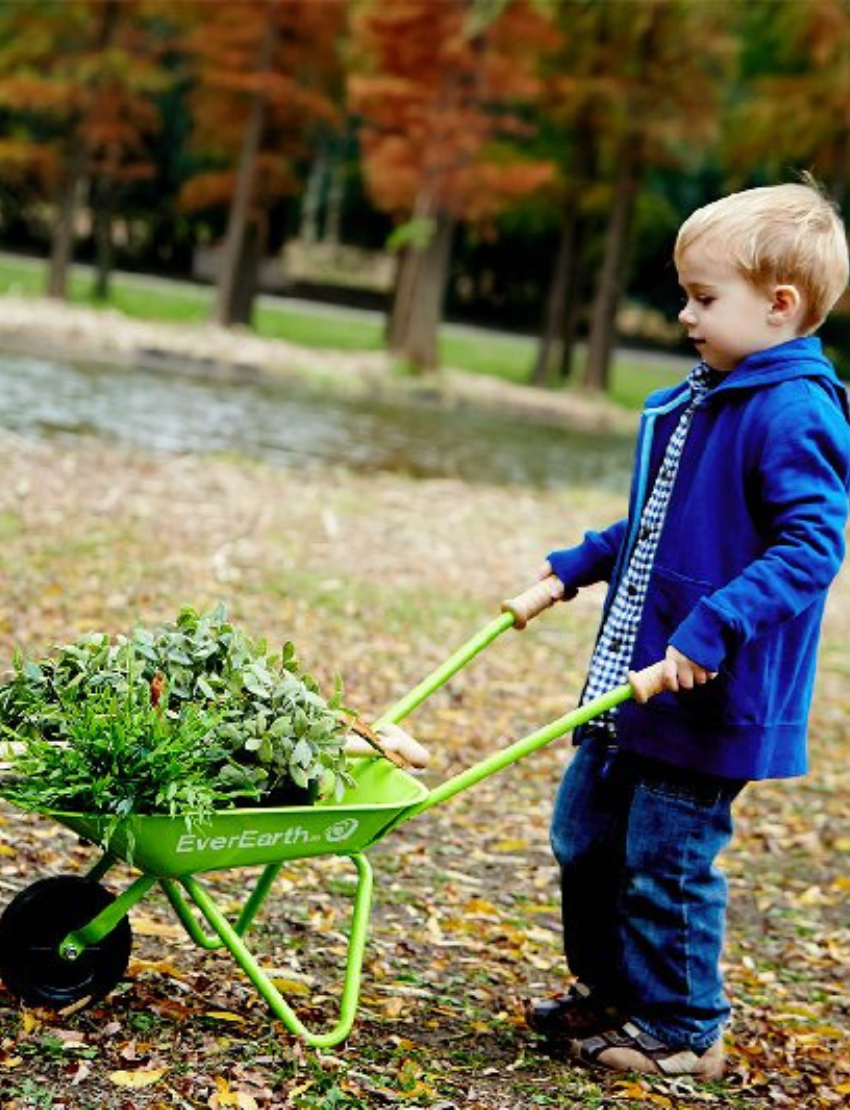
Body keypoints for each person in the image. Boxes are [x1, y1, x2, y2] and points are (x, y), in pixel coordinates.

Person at [525, 178, 850, 1080]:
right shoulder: (710, 395)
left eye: (705, 298)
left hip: (705, 688)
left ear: (780, 306)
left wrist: (714, 627)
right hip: (633, 677)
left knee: (666, 862)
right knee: (585, 838)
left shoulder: (793, 412)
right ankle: (614, 989)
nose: (684, 314)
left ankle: (684, 1028)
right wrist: (581, 562)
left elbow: (811, 547)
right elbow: (664, 518)